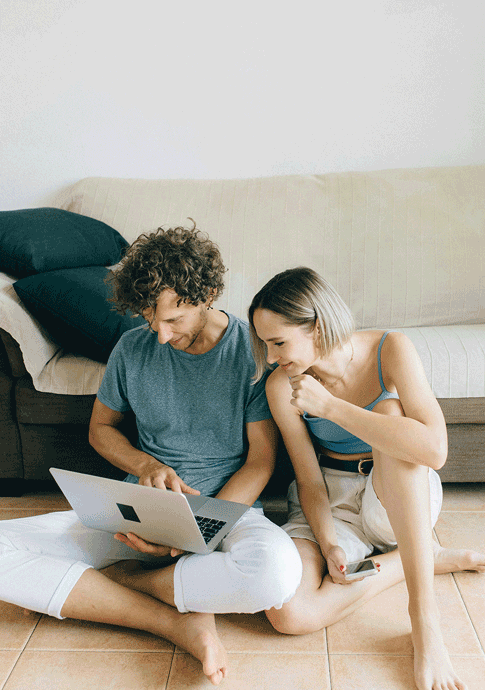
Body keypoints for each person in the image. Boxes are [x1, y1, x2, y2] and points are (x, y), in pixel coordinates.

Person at [0, 226, 302, 686]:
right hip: (137, 514)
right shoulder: (132, 348)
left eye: (173, 321)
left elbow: (260, 461)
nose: (159, 336)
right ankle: (176, 620)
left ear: (207, 293)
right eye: (149, 320)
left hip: (227, 513)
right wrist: (145, 465)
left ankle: (123, 583)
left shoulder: (250, 352)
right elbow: (101, 429)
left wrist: (200, 531)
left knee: (277, 577)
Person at [248, 266, 485, 690]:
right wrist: (329, 542)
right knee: (288, 613)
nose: (270, 357)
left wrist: (331, 407)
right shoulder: (281, 386)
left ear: (317, 327)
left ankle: (424, 620)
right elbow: (308, 478)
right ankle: (422, 559)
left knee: (388, 414)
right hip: (332, 498)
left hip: (393, 492)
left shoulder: (390, 348)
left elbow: (435, 450)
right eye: (265, 345)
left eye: (278, 342)